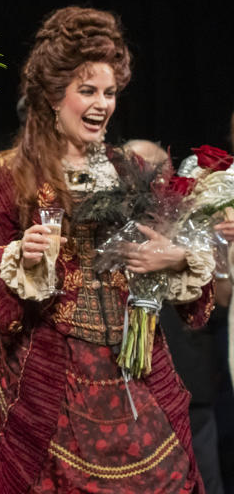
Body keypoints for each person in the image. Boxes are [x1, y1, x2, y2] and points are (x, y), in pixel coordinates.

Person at [0, 6, 215, 492]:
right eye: (88, 91)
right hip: (49, 378)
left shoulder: (131, 169)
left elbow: (192, 300)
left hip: (134, 371)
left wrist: (175, 258)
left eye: (110, 92)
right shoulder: (13, 173)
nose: (102, 104)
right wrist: (22, 256)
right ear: (55, 96)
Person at [125, 139, 226, 494]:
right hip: (125, 385)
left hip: (188, 379)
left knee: (201, 480)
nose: (147, 177)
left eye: (156, 170)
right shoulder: (104, 223)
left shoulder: (192, 222)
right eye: (133, 165)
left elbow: (218, 299)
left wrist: (186, 256)